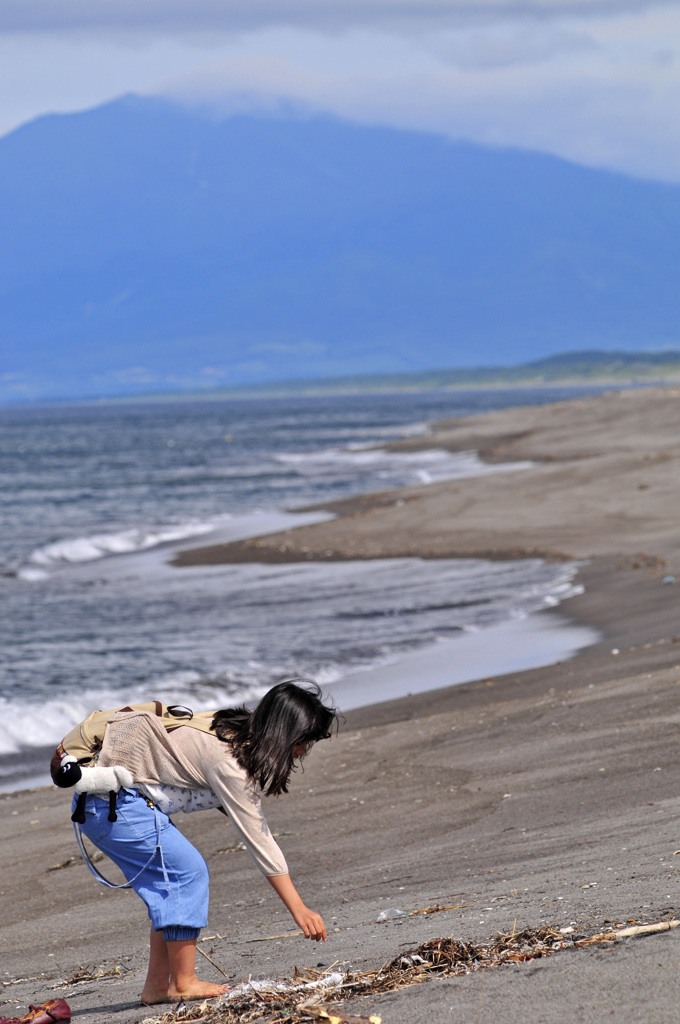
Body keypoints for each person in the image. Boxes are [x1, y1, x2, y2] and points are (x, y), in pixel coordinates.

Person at [56, 681, 339, 1006]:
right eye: (304, 742)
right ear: (284, 735)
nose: (304, 751)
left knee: (170, 886)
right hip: (112, 805)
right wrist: (298, 908)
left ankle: (157, 986)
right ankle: (183, 981)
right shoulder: (229, 765)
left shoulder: (230, 730)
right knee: (185, 874)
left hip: (114, 805)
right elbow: (258, 838)